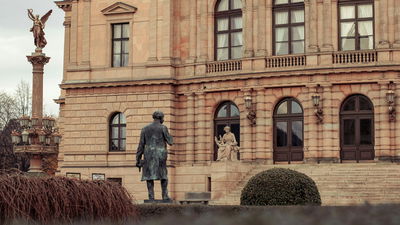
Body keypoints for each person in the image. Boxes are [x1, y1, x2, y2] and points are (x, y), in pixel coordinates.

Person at [136, 111, 173, 201]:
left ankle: (151, 197)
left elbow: (141, 145)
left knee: (149, 176)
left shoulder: (145, 129)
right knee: (163, 175)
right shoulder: (163, 128)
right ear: (160, 118)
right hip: (160, 154)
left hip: (148, 154)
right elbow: (170, 141)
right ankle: (165, 196)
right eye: (163, 117)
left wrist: (138, 159)